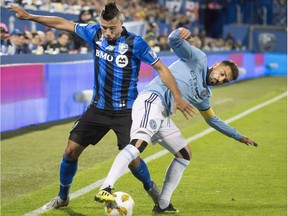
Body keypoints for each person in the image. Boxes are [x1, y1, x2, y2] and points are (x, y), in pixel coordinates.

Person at [9, 2, 193, 210]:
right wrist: (30, 16)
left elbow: (160, 67)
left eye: (111, 28)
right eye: (104, 27)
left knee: (132, 161)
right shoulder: (93, 33)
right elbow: (63, 23)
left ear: (121, 23)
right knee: (70, 151)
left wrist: (177, 96)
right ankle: (63, 197)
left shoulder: (136, 43)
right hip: (98, 108)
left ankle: (155, 193)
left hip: (126, 111)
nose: (107, 32)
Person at [95, 27, 258, 214]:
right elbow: (174, 41)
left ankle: (163, 204)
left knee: (184, 154)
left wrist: (238, 136)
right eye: (221, 73)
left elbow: (213, 120)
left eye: (224, 80)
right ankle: (105, 188)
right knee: (139, 144)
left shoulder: (204, 95)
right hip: (151, 100)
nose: (220, 79)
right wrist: (180, 31)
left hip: (163, 115)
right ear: (217, 64)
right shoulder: (198, 59)